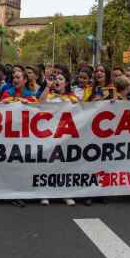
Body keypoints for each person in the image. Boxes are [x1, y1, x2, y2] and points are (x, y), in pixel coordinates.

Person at [40, 69, 78, 206]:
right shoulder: (49, 95)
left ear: (66, 83)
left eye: (61, 79)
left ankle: (64, 193)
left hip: (66, 136)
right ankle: (45, 193)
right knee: (48, 164)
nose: (57, 81)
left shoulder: (73, 98)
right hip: (49, 134)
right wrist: (48, 86)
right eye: (56, 79)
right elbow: (40, 103)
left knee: (64, 164)